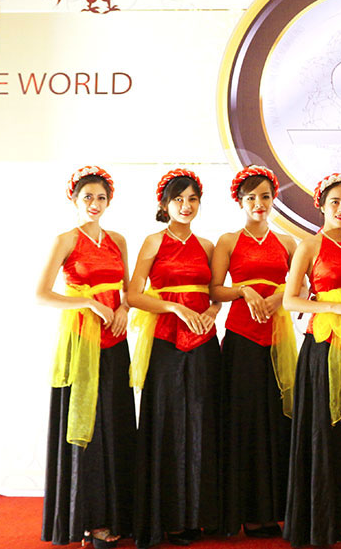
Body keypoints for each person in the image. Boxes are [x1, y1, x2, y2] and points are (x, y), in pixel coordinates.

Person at [39, 166, 135, 548]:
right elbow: (41, 293)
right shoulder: (66, 240)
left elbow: (128, 291)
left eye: (101, 197)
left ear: (109, 201)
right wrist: (88, 302)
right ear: (75, 200)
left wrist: (124, 308)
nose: (95, 204)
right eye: (88, 197)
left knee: (116, 422)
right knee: (87, 428)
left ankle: (117, 514)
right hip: (81, 341)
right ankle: (89, 520)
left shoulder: (117, 240)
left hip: (116, 339)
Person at [128, 169, 222, 548]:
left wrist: (212, 311)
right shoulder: (153, 242)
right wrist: (174, 307)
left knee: (202, 422)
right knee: (166, 423)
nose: (186, 206)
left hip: (204, 340)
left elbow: (215, 292)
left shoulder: (208, 245)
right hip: (166, 340)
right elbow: (134, 295)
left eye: (192, 199)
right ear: (165, 204)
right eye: (178, 199)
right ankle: (169, 517)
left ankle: (199, 515)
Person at [282, 173, 341, 547]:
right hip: (322, 346)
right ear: (321, 205)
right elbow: (290, 300)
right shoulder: (309, 246)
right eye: (335, 202)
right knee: (323, 430)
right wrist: (335, 306)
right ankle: (321, 521)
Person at [211, 165, 298, 538]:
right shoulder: (228, 241)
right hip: (241, 339)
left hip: (278, 339)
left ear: (274, 198)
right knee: (243, 423)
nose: (259, 203)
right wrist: (244, 290)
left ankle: (272, 511)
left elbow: (302, 288)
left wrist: (279, 296)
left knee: (277, 421)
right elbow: (215, 289)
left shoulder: (288, 243)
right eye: (251, 197)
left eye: (265, 196)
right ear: (240, 201)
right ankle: (243, 511)